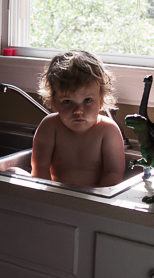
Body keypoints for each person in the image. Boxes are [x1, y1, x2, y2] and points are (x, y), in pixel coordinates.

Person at [30, 50, 126, 188]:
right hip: (56, 195)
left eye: (87, 100)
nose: (78, 111)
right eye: (67, 101)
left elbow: (114, 174)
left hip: (93, 200)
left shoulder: (108, 130)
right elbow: (39, 169)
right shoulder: (50, 126)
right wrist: (47, 200)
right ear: (55, 102)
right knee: (11, 172)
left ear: (101, 100)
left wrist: (95, 204)